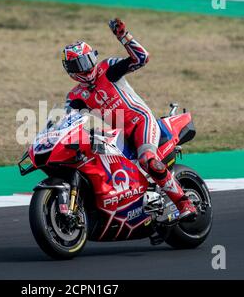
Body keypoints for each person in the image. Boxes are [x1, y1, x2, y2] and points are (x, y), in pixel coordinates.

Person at [62, 18, 197, 221]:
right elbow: (67, 122)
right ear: (70, 70)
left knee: (148, 160)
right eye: (78, 64)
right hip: (120, 135)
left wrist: (124, 36)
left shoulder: (107, 69)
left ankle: (184, 203)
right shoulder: (76, 95)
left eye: (87, 60)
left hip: (141, 122)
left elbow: (142, 58)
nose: (85, 67)